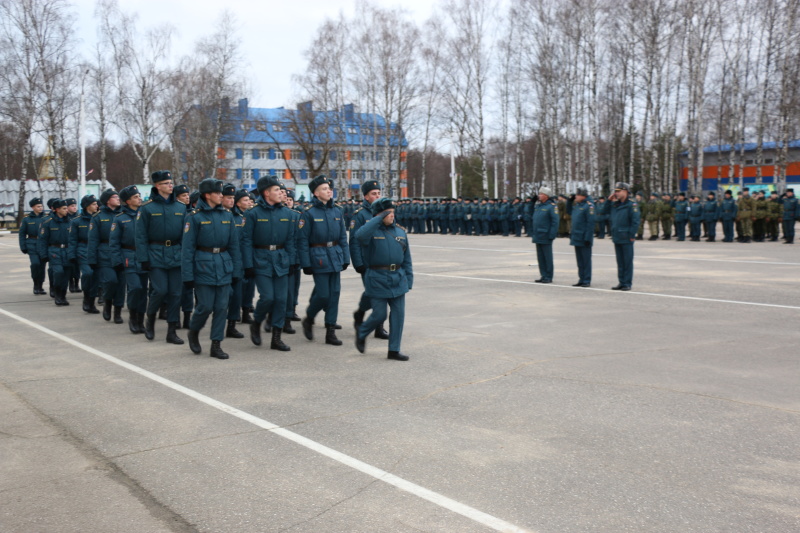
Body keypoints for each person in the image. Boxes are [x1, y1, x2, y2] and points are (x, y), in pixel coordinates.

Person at [182, 178, 242, 359]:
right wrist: (187, 275)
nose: (222, 196)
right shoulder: (194, 217)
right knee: (205, 306)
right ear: (208, 195)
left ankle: (216, 344)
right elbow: (187, 249)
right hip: (203, 265)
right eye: (218, 193)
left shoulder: (227, 216)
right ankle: (194, 330)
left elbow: (234, 246)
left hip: (223, 265)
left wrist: (237, 271)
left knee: (222, 307)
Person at [354, 197, 413, 361]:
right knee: (379, 315)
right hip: (377, 278)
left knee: (398, 316)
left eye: (393, 212)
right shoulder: (371, 232)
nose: (391, 215)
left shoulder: (400, 232)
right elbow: (359, 236)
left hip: (398, 278)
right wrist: (378, 218)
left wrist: (409, 279)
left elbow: (407, 259)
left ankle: (394, 350)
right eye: (388, 213)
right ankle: (362, 332)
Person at [242, 176, 297, 352]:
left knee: (281, 299)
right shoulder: (252, 213)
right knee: (268, 297)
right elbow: (246, 240)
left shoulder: (287, 214)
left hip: (281, 259)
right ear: (266, 193)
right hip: (260, 259)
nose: (281, 193)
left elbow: (290, 240)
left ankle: (276, 338)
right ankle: (256, 322)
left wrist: (292, 261)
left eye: (281, 190)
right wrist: (248, 264)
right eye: (276, 190)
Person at [135, 170, 186, 344]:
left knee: (175, 293)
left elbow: (186, 235)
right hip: (155, 253)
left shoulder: (180, 207)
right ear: (157, 186)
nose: (170, 185)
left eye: (171, 183)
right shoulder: (147, 208)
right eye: (166, 183)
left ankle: (171, 331)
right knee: (160, 290)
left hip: (176, 254)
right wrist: (143, 259)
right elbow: (140, 236)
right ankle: (150, 320)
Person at [298, 175, 350, 345]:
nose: (329, 191)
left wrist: (345, 258)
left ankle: (330, 331)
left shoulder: (337, 211)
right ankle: (310, 317)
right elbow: (303, 241)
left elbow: (343, 237)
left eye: (329, 188)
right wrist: (305, 263)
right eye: (324, 189)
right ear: (315, 193)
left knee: (334, 294)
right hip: (318, 257)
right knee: (323, 294)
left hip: (335, 255)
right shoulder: (309, 214)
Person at [350, 180, 390, 341]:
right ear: (366, 197)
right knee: (377, 294)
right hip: (367, 262)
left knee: (375, 293)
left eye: (379, 193)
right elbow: (354, 241)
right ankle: (378, 327)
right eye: (374, 193)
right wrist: (358, 263)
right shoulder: (360, 215)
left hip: (383, 261)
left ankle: (360, 312)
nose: (377, 196)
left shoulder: (386, 213)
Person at [110, 185, 148, 335]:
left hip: (143, 257)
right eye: (135, 197)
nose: (139, 199)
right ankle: (132, 317)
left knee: (143, 290)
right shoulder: (120, 219)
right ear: (128, 201)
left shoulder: (144, 214)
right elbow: (114, 242)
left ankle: (140, 319)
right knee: (135, 288)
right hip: (128, 257)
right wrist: (117, 260)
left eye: (139, 196)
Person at [88, 188, 125, 323]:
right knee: (110, 281)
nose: (118, 199)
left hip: (121, 253)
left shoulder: (123, 214)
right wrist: (91, 259)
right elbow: (93, 240)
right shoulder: (98, 217)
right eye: (115, 197)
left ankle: (118, 312)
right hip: (104, 254)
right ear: (107, 200)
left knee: (121, 284)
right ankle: (108, 302)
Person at [69, 195, 100, 313]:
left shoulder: (99, 218)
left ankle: (91, 302)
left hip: (97, 250)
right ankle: (87, 299)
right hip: (83, 250)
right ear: (87, 206)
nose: (97, 206)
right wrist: (71, 255)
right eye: (94, 204)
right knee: (88, 273)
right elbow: (72, 240)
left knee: (96, 277)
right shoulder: (76, 221)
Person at [37, 199, 72, 306]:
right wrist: (43, 254)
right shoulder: (47, 222)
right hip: (54, 251)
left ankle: (63, 296)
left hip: (67, 251)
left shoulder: (70, 222)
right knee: (58, 272)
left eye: (66, 208)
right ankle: (57, 294)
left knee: (66, 275)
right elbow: (42, 240)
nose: (66, 210)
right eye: (64, 208)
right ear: (57, 210)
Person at [608, 182, 640, 291]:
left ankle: (627, 283)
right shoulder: (615, 204)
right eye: (615, 191)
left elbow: (635, 221)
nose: (616, 193)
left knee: (627, 262)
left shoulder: (632, 204)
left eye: (618, 191)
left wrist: (632, 235)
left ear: (625, 191)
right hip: (617, 236)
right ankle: (621, 282)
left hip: (626, 236)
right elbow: (602, 211)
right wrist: (608, 200)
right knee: (620, 262)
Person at [19, 197, 47, 295]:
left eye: (41, 206)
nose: (40, 208)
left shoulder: (46, 218)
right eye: (38, 206)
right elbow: (22, 234)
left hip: (43, 244)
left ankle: (40, 285)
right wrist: (23, 246)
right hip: (32, 244)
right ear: (33, 207)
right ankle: (35, 284)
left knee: (42, 266)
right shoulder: (27, 219)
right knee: (35, 264)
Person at [567, 188, 595, 287]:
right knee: (579, 261)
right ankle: (581, 278)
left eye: (577, 195)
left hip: (584, 238)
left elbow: (590, 223)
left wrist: (588, 238)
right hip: (577, 236)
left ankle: (587, 280)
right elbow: (569, 212)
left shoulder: (589, 206)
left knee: (586, 260)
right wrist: (569, 202)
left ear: (583, 196)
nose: (576, 197)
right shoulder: (577, 206)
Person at [531, 186, 559, 283]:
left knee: (547, 257)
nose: (539, 195)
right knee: (540, 258)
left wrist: (552, 235)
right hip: (538, 235)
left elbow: (555, 222)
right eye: (539, 194)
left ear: (546, 196)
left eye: (541, 194)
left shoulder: (552, 206)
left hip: (546, 235)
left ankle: (549, 276)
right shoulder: (539, 206)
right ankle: (543, 275)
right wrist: (531, 202)